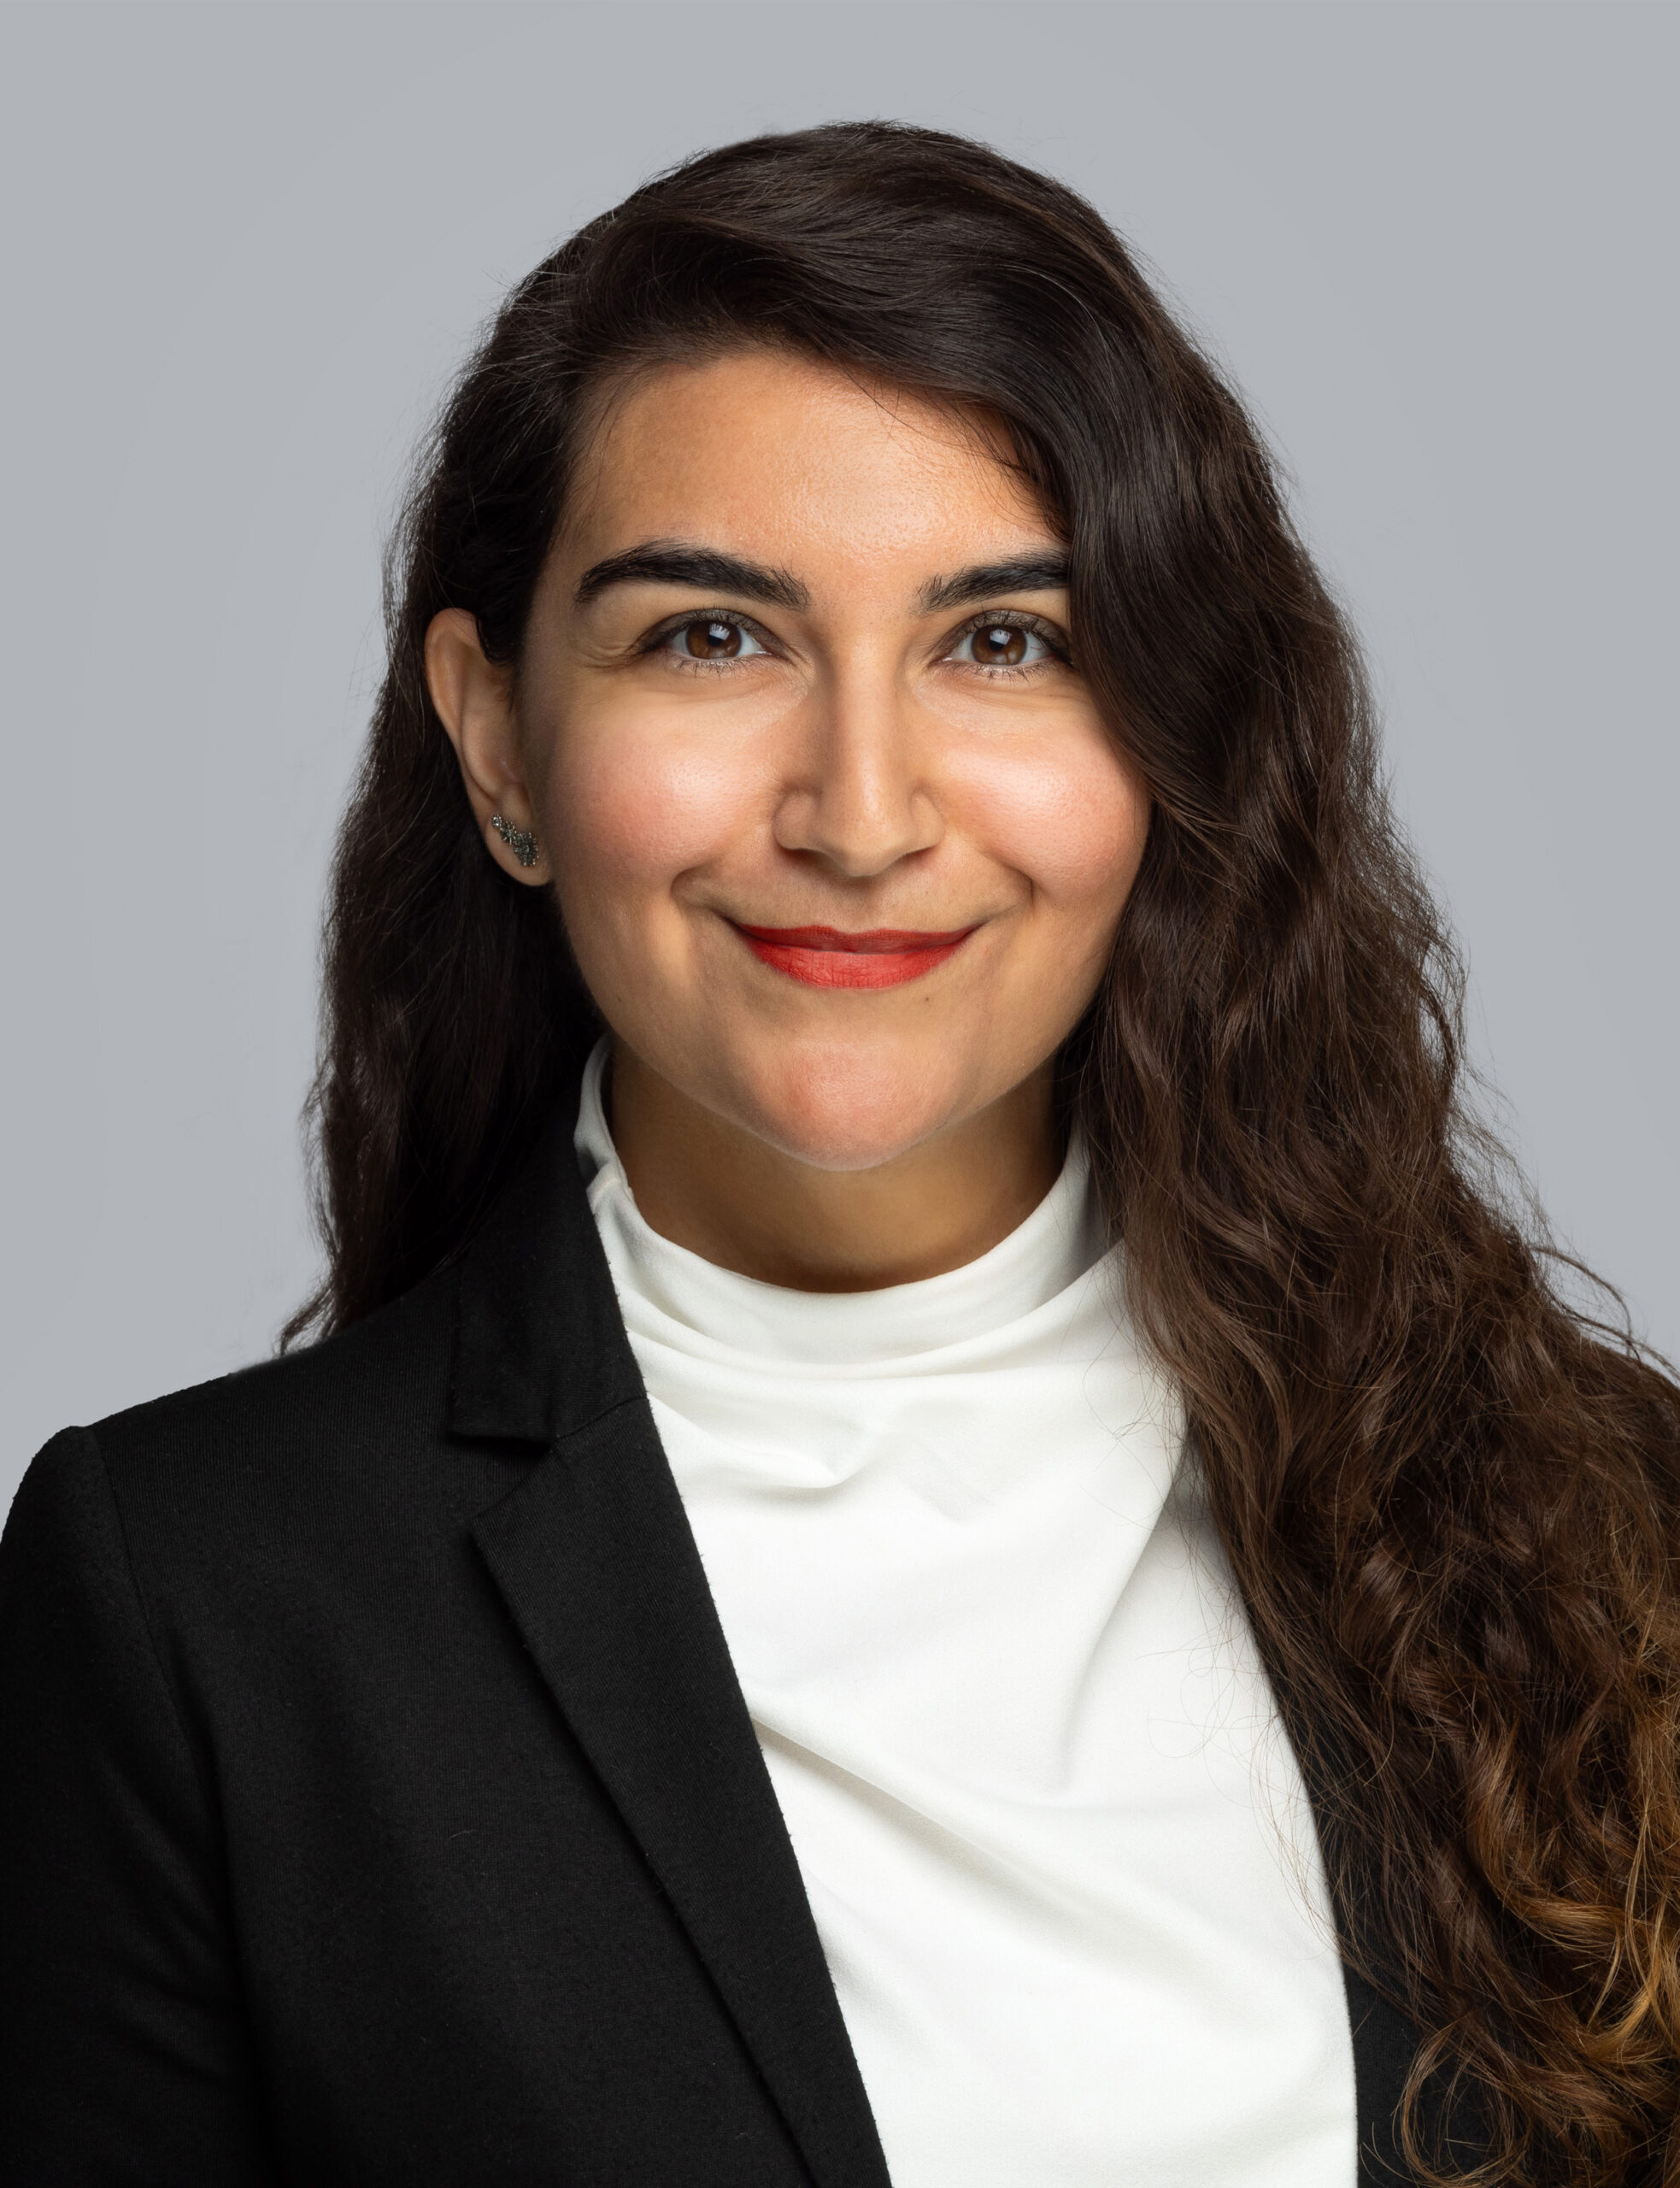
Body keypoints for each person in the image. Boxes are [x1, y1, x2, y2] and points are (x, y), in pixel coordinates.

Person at [2, 121, 1676, 2188]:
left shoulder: (1607, 1516)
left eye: (1003, 640)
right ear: (502, 740)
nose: (861, 812)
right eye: (711, 634)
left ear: (1169, 734)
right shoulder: (200, 1611)